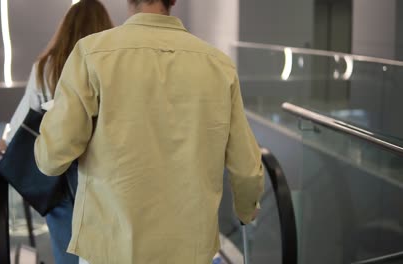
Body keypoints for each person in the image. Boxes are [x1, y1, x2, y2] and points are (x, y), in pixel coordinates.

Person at [34, 0, 264, 263]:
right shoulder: (219, 65)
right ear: (174, 1)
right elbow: (246, 168)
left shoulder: (91, 54)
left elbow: (52, 159)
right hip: (189, 248)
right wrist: (246, 210)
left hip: (112, 246)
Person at [0, 1, 113, 263]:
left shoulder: (46, 67)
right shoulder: (111, 66)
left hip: (56, 176)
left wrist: (6, 140)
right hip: (102, 171)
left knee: (66, 248)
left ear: (66, 27)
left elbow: (23, 118)